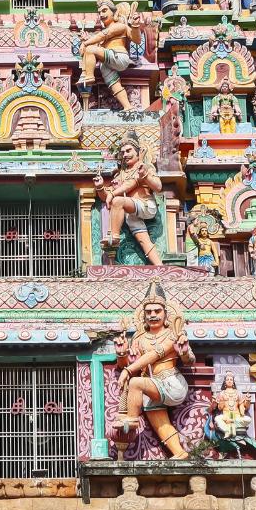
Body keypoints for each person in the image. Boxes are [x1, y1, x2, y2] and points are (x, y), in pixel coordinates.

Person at [113, 281, 194, 459]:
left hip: (171, 383)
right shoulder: (139, 337)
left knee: (135, 382)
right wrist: (122, 355)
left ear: (166, 313)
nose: (153, 315)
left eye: (157, 311)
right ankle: (179, 453)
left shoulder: (174, 333)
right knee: (159, 421)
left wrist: (185, 352)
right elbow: (127, 364)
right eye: (148, 312)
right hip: (152, 387)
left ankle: (131, 420)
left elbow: (159, 356)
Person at [94, 131, 163, 266]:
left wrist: (145, 176)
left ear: (138, 152)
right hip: (131, 212)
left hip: (146, 206)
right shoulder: (121, 174)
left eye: (129, 150)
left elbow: (158, 187)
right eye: (123, 152)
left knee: (118, 201)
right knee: (143, 239)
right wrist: (100, 187)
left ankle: (113, 236)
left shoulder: (145, 167)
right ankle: (159, 266)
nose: (125, 154)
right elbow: (106, 197)